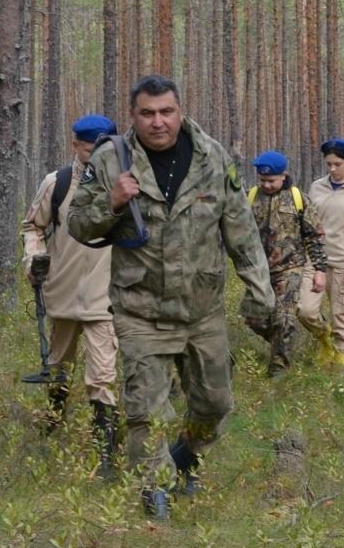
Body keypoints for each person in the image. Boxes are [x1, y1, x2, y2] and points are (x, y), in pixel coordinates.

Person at [67, 75, 274, 520]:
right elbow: (78, 225)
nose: (158, 122)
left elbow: (240, 230)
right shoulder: (109, 160)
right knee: (146, 411)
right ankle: (155, 492)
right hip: (141, 311)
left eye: (166, 112)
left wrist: (260, 290)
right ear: (133, 116)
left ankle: (185, 457)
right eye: (147, 113)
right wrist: (114, 203)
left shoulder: (213, 158)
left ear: (181, 111)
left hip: (202, 311)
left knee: (215, 405)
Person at [20, 114, 120, 473]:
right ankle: (51, 428)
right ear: (75, 145)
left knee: (102, 377)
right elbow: (33, 226)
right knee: (58, 368)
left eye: (103, 148)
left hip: (104, 299)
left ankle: (106, 454)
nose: (95, 156)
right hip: (60, 295)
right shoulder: (57, 183)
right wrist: (34, 259)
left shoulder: (125, 184)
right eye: (89, 148)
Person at [247, 151, 329, 376]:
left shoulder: (297, 199)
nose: (267, 184)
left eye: (271, 180)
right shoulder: (251, 197)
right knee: (254, 319)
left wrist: (320, 270)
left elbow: (315, 236)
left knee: (284, 319)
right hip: (258, 270)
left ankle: (279, 370)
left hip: (290, 268)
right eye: (263, 180)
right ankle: (281, 344)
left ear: (284, 176)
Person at [297, 138, 344, 364]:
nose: (333, 169)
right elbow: (308, 223)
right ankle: (324, 338)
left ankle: (340, 357)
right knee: (305, 310)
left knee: (341, 314)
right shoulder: (316, 187)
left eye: (338, 164)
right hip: (315, 259)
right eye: (329, 164)